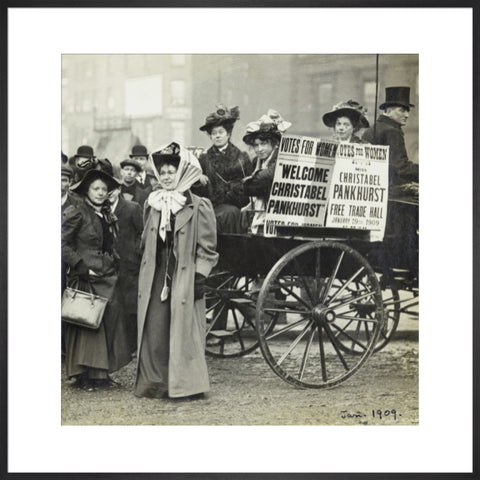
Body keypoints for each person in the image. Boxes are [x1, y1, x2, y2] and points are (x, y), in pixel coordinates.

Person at [135, 142, 218, 400]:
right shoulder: (153, 203)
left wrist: (200, 276)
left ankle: (187, 385)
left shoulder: (198, 204)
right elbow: (145, 240)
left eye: (172, 171)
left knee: (184, 331)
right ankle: (156, 383)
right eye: (164, 172)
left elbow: (208, 247)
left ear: (182, 172)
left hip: (185, 275)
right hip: (157, 273)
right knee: (155, 328)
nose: (168, 176)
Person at [62, 169, 132, 390]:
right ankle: (84, 376)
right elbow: (61, 243)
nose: (101, 193)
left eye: (104, 189)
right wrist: (80, 266)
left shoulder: (107, 214)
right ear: (87, 190)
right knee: (88, 325)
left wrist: (116, 262)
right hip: (86, 275)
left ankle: (101, 373)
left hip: (107, 274)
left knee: (107, 323)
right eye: (96, 189)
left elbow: (109, 244)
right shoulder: (77, 212)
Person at [195, 104, 253, 233]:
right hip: (212, 206)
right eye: (213, 133)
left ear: (228, 134)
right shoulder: (204, 159)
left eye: (221, 132)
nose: (217, 136)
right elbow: (197, 190)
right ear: (210, 136)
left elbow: (250, 184)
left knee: (230, 214)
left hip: (237, 206)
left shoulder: (241, 157)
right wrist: (198, 178)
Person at [241, 109, 291, 234]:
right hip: (260, 213)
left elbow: (263, 180)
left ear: (274, 143)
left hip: (279, 215)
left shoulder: (280, 158)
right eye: (256, 145)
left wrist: (246, 183)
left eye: (263, 144)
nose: (259, 149)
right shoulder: (255, 162)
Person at [362, 86, 419, 195]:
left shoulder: (372, 129)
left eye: (408, 111)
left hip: (372, 190)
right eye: (401, 110)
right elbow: (401, 168)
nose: (406, 115)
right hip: (389, 193)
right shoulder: (392, 131)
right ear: (388, 110)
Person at [108, 185, 144, 355]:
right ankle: (116, 344)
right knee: (114, 304)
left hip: (130, 264)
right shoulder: (101, 209)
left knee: (131, 306)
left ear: (118, 189)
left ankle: (133, 345)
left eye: (112, 189)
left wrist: (135, 252)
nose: (108, 193)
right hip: (110, 265)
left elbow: (142, 233)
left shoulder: (132, 207)